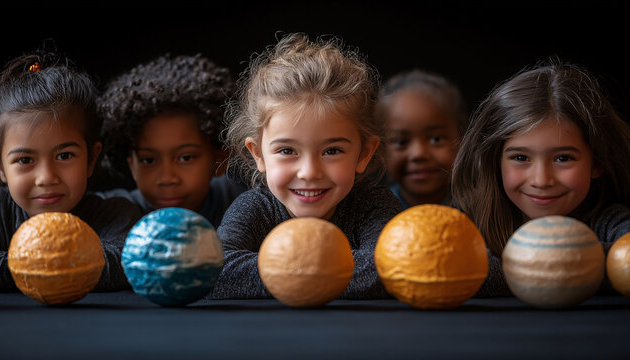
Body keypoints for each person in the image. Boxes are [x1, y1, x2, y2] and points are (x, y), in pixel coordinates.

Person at [208, 33, 401, 299]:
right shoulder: (254, 209)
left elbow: (392, 268)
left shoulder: (374, 205)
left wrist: (287, 274)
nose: (309, 172)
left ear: (364, 154)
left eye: (332, 151)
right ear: (258, 155)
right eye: (287, 151)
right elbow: (215, 271)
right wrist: (315, 274)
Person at [452, 60, 630, 297]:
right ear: (495, 162)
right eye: (521, 157)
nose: (541, 180)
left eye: (563, 158)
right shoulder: (467, 222)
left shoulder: (610, 222)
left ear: (597, 162)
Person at [0, 49, 142, 291]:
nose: (46, 177)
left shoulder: (117, 217)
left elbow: (128, 262)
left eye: (64, 156)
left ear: (91, 159)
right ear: (0, 167)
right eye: (25, 160)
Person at [96, 53, 246, 228]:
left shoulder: (247, 203)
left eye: (186, 158)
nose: (167, 178)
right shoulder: (111, 215)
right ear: (132, 166)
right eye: (149, 160)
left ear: (220, 160)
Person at [377, 69, 467, 209]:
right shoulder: (376, 213)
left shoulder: (479, 211)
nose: (419, 154)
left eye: (436, 139)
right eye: (401, 142)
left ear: (462, 140)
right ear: (379, 148)